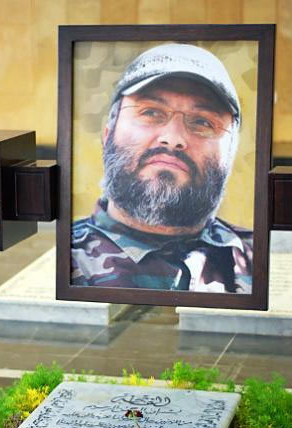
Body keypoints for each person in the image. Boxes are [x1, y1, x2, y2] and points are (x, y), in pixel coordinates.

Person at [71, 43, 253, 293]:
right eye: (151, 112)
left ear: (230, 154)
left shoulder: (269, 261)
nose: (173, 138)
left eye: (202, 122)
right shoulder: (58, 260)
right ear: (107, 135)